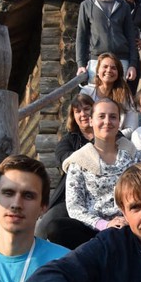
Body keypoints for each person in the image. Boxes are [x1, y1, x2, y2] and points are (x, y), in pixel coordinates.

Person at [47, 99, 141, 250]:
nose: (107, 121)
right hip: (93, 230)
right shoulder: (79, 160)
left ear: (119, 121)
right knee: (56, 228)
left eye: (113, 117)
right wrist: (104, 225)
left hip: (128, 224)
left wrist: (127, 219)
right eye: (101, 116)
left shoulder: (132, 155)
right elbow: (74, 207)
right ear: (91, 120)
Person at [36, 93, 96, 238]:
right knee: (43, 226)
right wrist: (95, 154)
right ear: (73, 116)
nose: (83, 114)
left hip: (102, 194)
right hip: (70, 195)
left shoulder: (109, 134)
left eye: (87, 109)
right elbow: (64, 158)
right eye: (77, 111)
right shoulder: (68, 140)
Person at [76, 0, 138, 82]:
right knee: (97, 93)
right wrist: (81, 64)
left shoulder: (123, 6)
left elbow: (131, 36)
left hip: (121, 60)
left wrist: (133, 64)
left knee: (119, 93)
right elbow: (81, 37)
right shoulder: (87, 5)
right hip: (96, 61)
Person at [84, 53, 139, 138]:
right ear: (97, 71)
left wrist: (111, 138)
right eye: (105, 67)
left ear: (118, 73)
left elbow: (132, 127)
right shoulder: (87, 92)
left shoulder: (125, 95)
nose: (109, 70)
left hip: (118, 141)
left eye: (113, 68)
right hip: (90, 139)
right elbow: (81, 121)